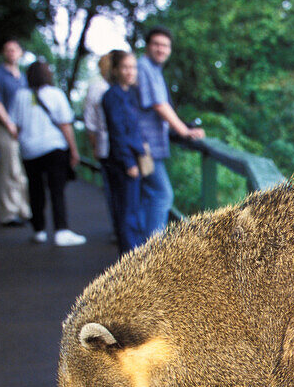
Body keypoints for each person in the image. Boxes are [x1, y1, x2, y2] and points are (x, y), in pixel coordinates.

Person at [136, 26, 204, 236]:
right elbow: (159, 105)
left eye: (165, 45)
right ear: (148, 46)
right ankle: (153, 254)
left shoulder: (154, 69)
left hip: (149, 145)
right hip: (145, 146)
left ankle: (142, 251)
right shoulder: (144, 67)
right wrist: (184, 131)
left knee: (149, 194)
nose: (161, 49)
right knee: (161, 194)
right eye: (156, 44)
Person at [9, 60, 86, 247]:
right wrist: (73, 150)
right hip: (54, 148)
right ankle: (61, 230)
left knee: (35, 190)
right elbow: (65, 124)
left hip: (29, 150)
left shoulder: (20, 96)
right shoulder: (56, 94)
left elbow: (15, 125)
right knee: (56, 190)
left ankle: (39, 230)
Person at [101, 50, 148, 253]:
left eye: (133, 67)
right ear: (116, 70)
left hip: (134, 158)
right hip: (122, 163)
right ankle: (130, 260)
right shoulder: (113, 96)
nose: (130, 72)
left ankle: (135, 255)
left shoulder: (129, 93)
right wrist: (128, 162)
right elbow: (117, 132)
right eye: (126, 67)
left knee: (134, 211)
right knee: (126, 212)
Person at [0, 39, 32, 227]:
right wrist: (9, 124)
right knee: (10, 169)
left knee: (21, 171)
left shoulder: (22, 77)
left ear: (20, 53)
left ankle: (24, 208)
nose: (11, 53)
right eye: (7, 50)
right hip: (6, 128)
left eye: (14, 49)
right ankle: (9, 212)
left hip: (22, 129)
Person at [83, 53, 119, 240]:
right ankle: (117, 229)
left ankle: (120, 228)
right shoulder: (98, 87)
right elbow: (90, 121)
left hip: (115, 145)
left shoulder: (119, 86)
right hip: (106, 146)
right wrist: (95, 144)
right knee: (112, 189)